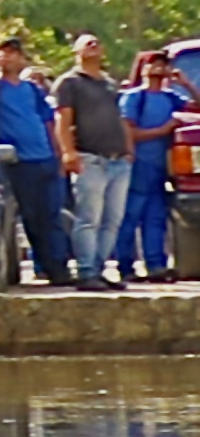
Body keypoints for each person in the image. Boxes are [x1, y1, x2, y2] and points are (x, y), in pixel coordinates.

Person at [0, 38, 81, 287]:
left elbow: (48, 122)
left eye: (14, 53)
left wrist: (60, 155)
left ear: (22, 58)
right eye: (4, 52)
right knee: (32, 218)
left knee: (52, 216)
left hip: (45, 159)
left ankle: (59, 269)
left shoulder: (32, 89)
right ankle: (46, 266)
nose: (9, 57)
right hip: (20, 163)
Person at [61, 37, 136, 290]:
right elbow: (63, 119)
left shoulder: (109, 84)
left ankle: (100, 269)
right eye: (88, 43)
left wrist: (128, 150)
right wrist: (68, 152)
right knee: (88, 218)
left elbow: (119, 118)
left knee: (113, 218)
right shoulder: (69, 83)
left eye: (97, 43)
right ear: (76, 51)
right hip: (89, 158)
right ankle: (85, 271)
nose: (94, 46)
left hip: (118, 160)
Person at [128, 54, 185, 286]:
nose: (158, 68)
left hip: (162, 168)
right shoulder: (134, 98)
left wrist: (187, 84)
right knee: (130, 217)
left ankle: (156, 266)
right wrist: (163, 130)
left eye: (163, 64)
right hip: (138, 165)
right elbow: (129, 132)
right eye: (153, 63)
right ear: (143, 68)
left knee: (156, 218)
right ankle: (125, 265)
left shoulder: (172, 98)